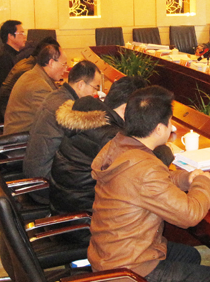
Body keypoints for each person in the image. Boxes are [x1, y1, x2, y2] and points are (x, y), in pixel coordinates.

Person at [88, 86, 210, 282]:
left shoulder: (121, 145)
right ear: (158, 128)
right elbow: (190, 215)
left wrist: (185, 179)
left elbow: (152, 182)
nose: (173, 127)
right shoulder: (144, 167)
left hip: (109, 254)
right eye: (170, 121)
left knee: (189, 256)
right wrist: (203, 182)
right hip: (128, 272)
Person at [49, 76, 150, 214]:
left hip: (64, 204)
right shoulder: (110, 136)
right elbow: (140, 175)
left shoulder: (86, 116)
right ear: (126, 108)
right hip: (86, 214)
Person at [22, 60, 102, 192]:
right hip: (45, 181)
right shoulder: (68, 108)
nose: (95, 93)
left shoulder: (56, 95)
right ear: (81, 85)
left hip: (35, 170)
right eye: (95, 87)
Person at [0, 37, 61, 123]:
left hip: (10, 113)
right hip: (7, 118)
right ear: (49, 59)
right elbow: (48, 111)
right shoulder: (31, 72)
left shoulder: (28, 62)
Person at [2, 45, 67, 135]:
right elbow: (56, 119)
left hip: (26, 133)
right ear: (51, 63)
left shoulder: (34, 74)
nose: (66, 69)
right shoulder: (38, 85)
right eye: (64, 64)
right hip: (22, 139)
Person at [0, 19, 27, 93]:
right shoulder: (4, 58)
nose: (24, 37)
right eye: (21, 33)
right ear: (10, 36)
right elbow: (9, 87)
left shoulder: (10, 53)